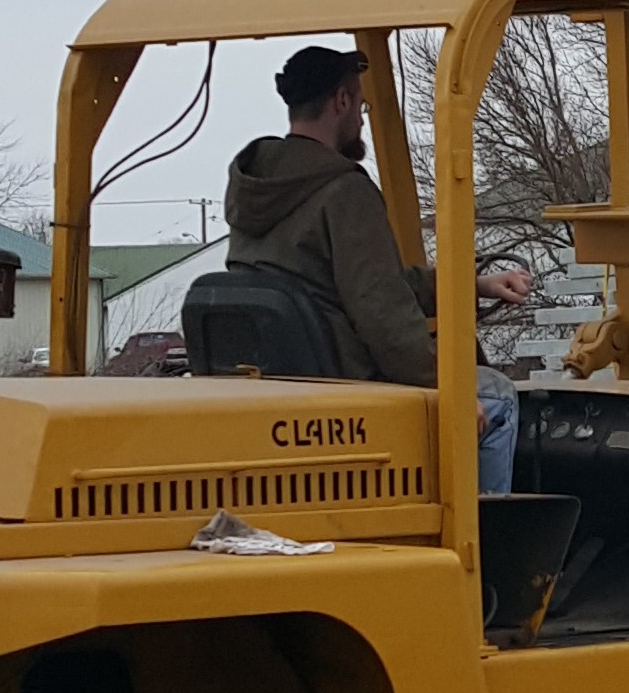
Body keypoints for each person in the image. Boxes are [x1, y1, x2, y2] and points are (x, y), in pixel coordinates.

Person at [223, 45, 532, 491]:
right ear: (341, 101)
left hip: (281, 386)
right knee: (495, 396)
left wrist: (475, 284)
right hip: (346, 389)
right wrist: (450, 386)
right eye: (363, 106)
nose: (363, 119)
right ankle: (485, 552)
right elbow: (384, 318)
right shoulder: (343, 191)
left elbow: (373, 282)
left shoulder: (257, 191)